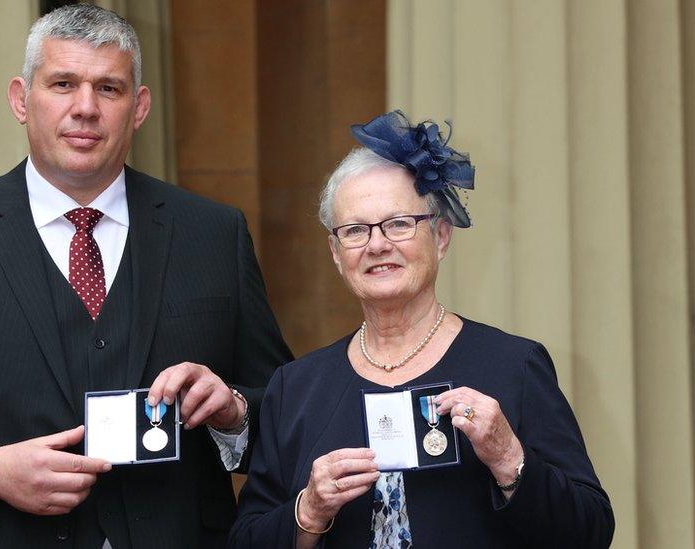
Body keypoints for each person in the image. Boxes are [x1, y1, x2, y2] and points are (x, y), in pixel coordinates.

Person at [0, 5, 291, 548]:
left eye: (109, 89)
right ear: (21, 100)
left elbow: (287, 415)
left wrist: (234, 411)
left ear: (139, 108)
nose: (85, 108)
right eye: (63, 84)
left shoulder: (214, 235)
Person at [229, 111, 614, 548]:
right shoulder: (295, 389)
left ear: (442, 236)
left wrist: (510, 458)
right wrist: (308, 510)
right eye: (355, 230)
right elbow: (246, 539)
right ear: (336, 254)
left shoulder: (513, 366)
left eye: (398, 224)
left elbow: (590, 531)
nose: (377, 244)